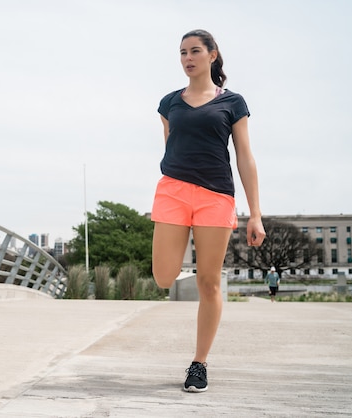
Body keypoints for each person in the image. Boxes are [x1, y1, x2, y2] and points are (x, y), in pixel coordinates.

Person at [151, 29, 266, 393]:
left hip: (216, 196)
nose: (188, 57)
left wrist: (255, 213)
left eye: (195, 51)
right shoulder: (170, 102)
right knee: (164, 277)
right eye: (183, 52)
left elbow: (245, 157)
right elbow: (171, 147)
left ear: (212, 55)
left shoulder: (232, 102)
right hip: (173, 191)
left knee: (208, 282)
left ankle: (199, 363)